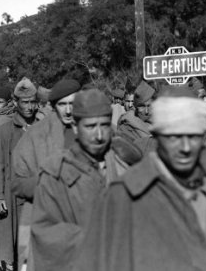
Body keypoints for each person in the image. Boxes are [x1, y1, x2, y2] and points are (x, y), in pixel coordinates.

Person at [73, 86, 206, 271]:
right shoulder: (126, 192)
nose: (185, 148)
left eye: (193, 136)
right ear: (157, 136)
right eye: (174, 137)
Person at [30, 89, 140, 271]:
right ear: (75, 126)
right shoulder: (55, 173)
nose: (98, 135)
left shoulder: (123, 164)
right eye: (90, 127)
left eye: (104, 126)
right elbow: (45, 232)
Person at [11, 78, 81, 269]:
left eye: (72, 104)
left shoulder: (93, 130)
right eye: (62, 104)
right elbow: (17, 182)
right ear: (53, 105)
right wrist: (46, 184)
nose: (68, 110)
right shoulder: (36, 135)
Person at [0, 78, 40, 270]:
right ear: (16, 103)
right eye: (25, 102)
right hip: (12, 198)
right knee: (13, 248)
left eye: (33, 101)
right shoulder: (3, 132)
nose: (29, 106)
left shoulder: (45, 128)